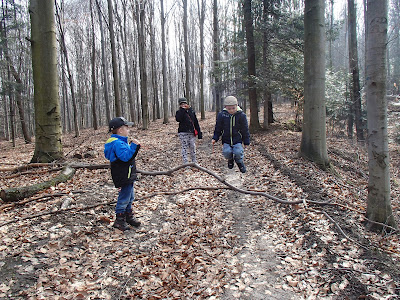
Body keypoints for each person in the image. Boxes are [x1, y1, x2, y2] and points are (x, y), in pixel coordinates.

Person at [104, 117, 141, 231]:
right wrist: (134, 146)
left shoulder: (119, 142)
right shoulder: (118, 143)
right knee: (124, 197)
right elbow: (126, 157)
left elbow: (124, 154)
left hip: (126, 173)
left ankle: (128, 216)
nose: (128, 130)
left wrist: (130, 146)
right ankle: (119, 220)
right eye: (126, 128)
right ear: (120, 130)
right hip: (123, 174)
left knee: (130, 196)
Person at [212, 96, 250, 173]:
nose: (231, 110)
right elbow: (218, 127)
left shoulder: (241, 115)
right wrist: (215, 138)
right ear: (225, 107)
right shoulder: (222, 115)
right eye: (229, 109)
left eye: (233, 108)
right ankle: (230, 160)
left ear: (237, 106)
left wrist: (246, 141)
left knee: (238, 152)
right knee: (226, 152)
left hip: (237, 139)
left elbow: (245, 129)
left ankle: (239, 163)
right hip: (226, 139)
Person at [175, 97, 202, 164]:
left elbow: (195, 122)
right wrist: (183, 110)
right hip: (183, 133)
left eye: (184, 103)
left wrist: (199, 132)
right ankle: (185, 163)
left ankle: (194, 162)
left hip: (191, 133)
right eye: (182, 104)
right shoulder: (179, 112)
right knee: (184, 148)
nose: (183, 105)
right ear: (179, 105)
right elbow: (178, 119)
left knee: (192, 147)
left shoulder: (191, 111)